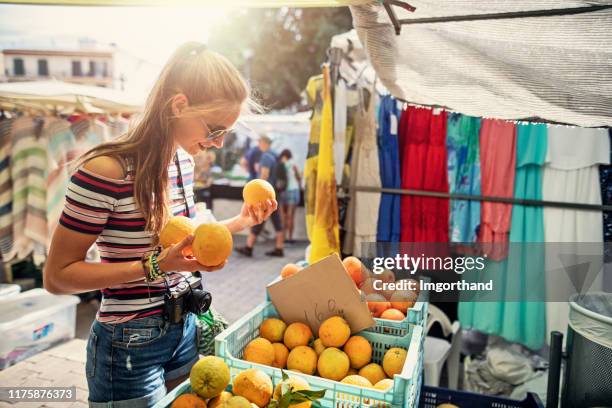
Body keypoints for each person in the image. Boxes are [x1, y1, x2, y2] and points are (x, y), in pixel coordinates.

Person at [42, 42, 277, 408]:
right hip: (128, 345)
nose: (217, 144)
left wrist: (240, 222)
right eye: (215, 130)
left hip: (185, 330)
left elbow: (183, 240)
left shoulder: (182, 161)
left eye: (224, 134)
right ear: (179, 105)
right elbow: (57, 276)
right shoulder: (105, 170)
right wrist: (156, 266)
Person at [236, 134, 285, 257]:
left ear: (264, 142)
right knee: (275, 221)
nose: (258, 144)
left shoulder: (266, 156)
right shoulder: (272, 155)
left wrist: (255, 189)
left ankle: (249, 247)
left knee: (258, 219)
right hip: (272, 193)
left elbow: (264, 176)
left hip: (265, 194)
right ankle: (279, 248)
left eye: (260, 142)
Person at [278, 149, 301, 244]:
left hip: (283, 191)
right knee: (291, 216)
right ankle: (290, 238)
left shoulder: (281, 164)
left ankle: (281, 238)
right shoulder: (293, 164)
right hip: (294, 190)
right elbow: (299, 178)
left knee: (283, 216)